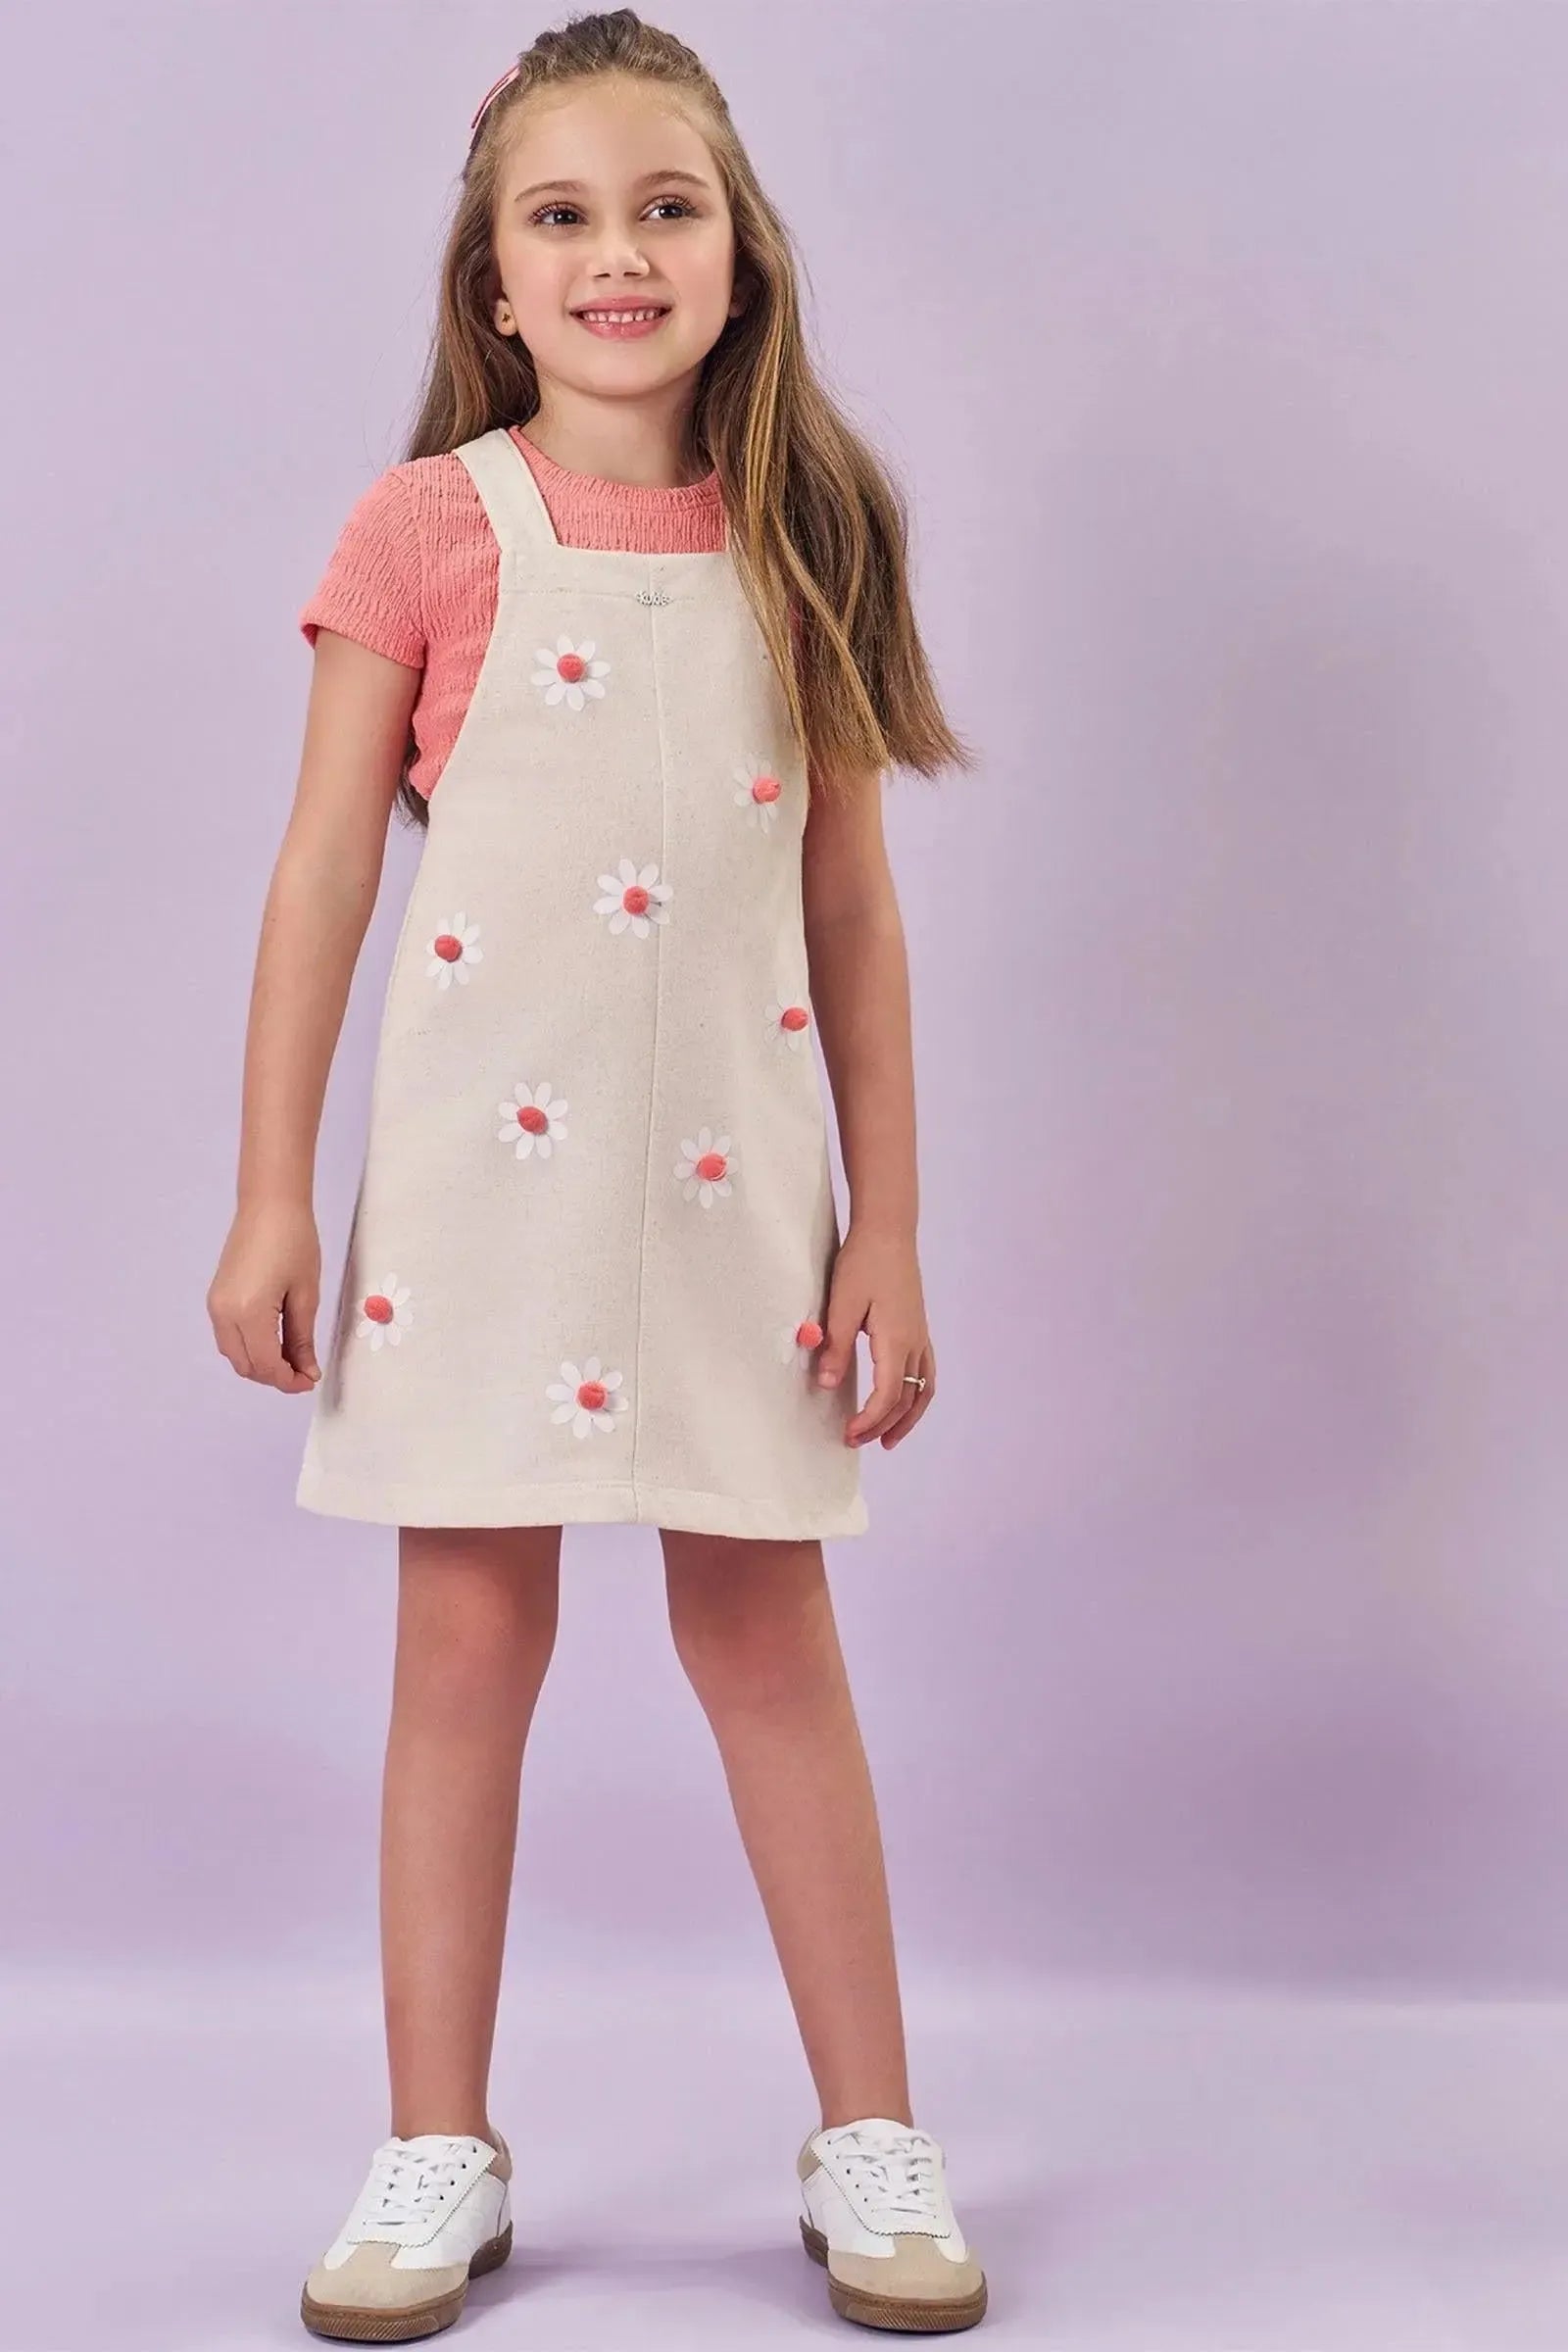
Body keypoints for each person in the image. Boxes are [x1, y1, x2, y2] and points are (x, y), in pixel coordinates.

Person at [206, 9, 985, 2338]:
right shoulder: (427, 527)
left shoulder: (808, 534)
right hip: (482, 1193)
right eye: (563, 215)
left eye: (666, 208)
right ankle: (434, 2142)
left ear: (739, 253)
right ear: (496, 277)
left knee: (765, 1636)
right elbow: (323, 869)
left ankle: (869, 2134)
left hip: (734, 1197)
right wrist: (270, 1192)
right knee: (465, 1641)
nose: (617, 253)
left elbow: (850, 912)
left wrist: (889, 1223)